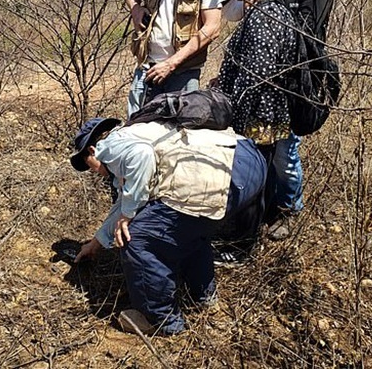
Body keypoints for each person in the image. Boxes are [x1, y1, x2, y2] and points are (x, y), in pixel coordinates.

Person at [70, 117, 266, 335]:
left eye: (90, 166)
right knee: (187, 227)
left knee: (137, 239)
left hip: (220, 174)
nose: (95, 172)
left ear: (92, 150)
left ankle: (159, 320)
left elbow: (141, 156)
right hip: (247, 161)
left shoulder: (110, 145)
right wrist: (96, 243)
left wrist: (127, 216)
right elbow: (125, 204)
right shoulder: (139, 129)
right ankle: (203, 297)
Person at [257, 0, 334, 240]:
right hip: (276, 76)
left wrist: (272, 22)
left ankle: (289, 210)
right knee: (269, 143)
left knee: (286, 150)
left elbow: (307, 35)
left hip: (299, 78)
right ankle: (269, 205)